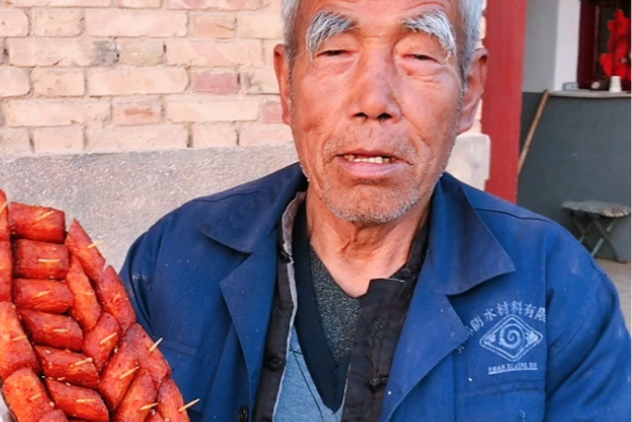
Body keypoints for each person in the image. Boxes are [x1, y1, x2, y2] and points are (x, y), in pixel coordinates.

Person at [120, 0, 631, 420]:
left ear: (470, 90)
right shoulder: (171, 260)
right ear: (286, 82)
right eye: (337, 50)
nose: (373, 99)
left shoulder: (555, 285)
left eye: (420, 56)